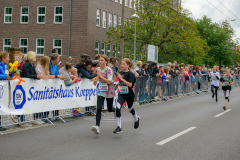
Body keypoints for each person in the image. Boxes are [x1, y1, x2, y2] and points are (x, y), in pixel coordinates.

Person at [113, 58, 139, 134]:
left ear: (128, 65)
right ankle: (119, 127)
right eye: (121, 64)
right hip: (121, 94)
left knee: (130, 109)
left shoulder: (131, 74)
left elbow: (130, 85)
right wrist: (117, 84)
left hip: (129, 94)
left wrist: (121, 78)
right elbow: (121, 82)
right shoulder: (121, 72)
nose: (122, 65)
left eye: (124, 64)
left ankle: (136, 118)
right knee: (117, 108)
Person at [91, 55, 115, 134]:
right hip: (101, 90)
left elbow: (109, 81)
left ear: (106, 61)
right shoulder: (98, 69)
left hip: (109, 90)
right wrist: (96, 80)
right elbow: (98, 77)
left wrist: (101, 76)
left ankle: (116, 109)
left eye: (102, 60)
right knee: (98, 108)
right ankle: (97, 126)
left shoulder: (108, 70)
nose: (100, 62)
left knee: (110, 108)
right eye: (99, 60)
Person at [0, 51, 11, 131]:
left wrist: (13, 75)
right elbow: (3, 75)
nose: (9, 59)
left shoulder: (5, 66)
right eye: (7, 57)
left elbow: (8, 75)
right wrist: (5, 76)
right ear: (3, 58)